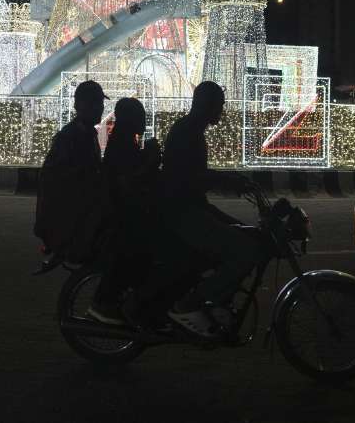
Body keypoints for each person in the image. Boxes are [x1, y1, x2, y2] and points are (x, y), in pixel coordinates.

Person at [159, 81, 263, 337]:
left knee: (243, 231)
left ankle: (216, 301)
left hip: (193, 207)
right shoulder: (187, 132)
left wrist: (231, 180)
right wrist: (229, 181)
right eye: (219, 105)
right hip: (182, 213)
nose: (222, 110)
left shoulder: (191, 129)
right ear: (207, 105)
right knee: (244, 251)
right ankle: (190, 304)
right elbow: (194, 177)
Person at [88, 97, 161, 325]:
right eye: (140, 116)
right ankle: (107, 301)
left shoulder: (125, 140)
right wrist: (150, 160)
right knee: (138, 250)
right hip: (122, 214)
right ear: (130, 119)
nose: (144, 120)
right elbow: (128, 180)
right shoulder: (122, 143)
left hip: (126, 208)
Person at [34, 80, 110, 266]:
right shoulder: (72, 137)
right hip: (69, 216)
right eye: (95, 103)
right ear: (80, 106)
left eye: (100, 103)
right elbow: (64, 180)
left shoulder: (86, 134)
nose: (100, 108)